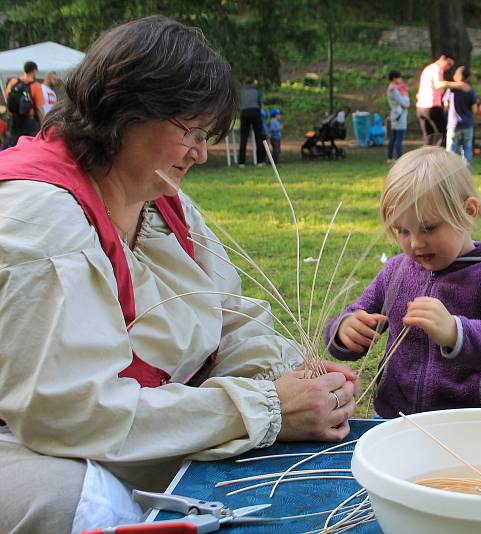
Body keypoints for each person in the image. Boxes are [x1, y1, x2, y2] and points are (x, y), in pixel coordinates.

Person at [0, 16, 358, 533]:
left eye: (205, 133)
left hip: (118, 433)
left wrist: (297, 372)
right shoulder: (40, 219)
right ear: (123, 111)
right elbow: (70, 412)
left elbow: (226, 317)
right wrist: (265, 408)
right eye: (188, 131)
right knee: (79, 504)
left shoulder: (162, 200)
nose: (200, 151)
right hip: (32, 445)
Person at [324, 147, 481, 418]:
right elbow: (354, 317)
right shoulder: (397, 271)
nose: (415, 243)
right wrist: (344, 330)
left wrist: (455, 332)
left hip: (474, 424)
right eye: (402, 230)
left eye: (429, 228)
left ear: (468, 212)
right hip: (397, 421)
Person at [415, 50, 465, 146]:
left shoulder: (428, 69)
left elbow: (436, 88)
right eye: (448, 64)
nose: (448, 67)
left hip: (420, 107)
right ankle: (439, 158)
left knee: (428, 136)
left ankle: (426, 158)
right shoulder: (437, 69)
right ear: (443, 58)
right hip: (432, 106)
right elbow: (438, 85)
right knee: (443, 134)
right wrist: (458, 85)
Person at [4, 60, 45, 148]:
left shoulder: (13, 82)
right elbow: (39, 108)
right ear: (34, 71)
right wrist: (44, 124)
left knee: (12, 146)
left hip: (14, 120)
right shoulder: (36, 85)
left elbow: (8, 99)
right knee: (33, 146)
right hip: (29, 121)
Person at [443, 65, 477, 166]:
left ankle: (450, 171)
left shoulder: (451, 90)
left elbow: (445, 105)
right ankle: (466, 172)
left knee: (451, 150)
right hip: (467, 124)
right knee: (467, 149)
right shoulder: (470, 91)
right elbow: (475, 109)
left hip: (453, 124)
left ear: (457, 76)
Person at [237, 76, 266, 167]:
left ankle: (242, 162)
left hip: (245, 113)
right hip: (256, 112)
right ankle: (260, 161)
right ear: (252, 83)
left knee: (244, 138)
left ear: (244, 83)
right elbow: (260, 104)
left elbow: (238, 105)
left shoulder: (241, 92)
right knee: (259, 137)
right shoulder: (256, 92)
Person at [386, 70, 409, 162]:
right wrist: (405, 94)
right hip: (399, 115)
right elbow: (404, 103)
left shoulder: (391, 88)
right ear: (395, 78)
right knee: (399, 137)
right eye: (399, 77)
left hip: (395, 114)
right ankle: (400, 158)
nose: (401, 79)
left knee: (393, 137)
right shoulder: (394, 90)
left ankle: (390, 156)